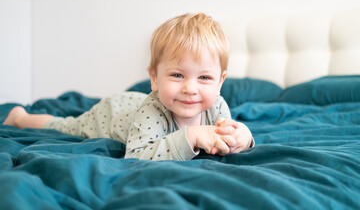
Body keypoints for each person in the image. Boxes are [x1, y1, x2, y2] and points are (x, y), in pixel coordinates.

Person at [4, 12, 254, 161]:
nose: (190, 88)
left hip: (130, 105)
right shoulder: (153, 112)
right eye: (177, 75)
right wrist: (190, 136)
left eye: (204, 78)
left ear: (220, 81)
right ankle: (20, 116)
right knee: (67, 125)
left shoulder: (217, 106)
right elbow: (136, 156)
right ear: (154, 79)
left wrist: (243, 137)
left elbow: (225, 140)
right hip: (111, 115)